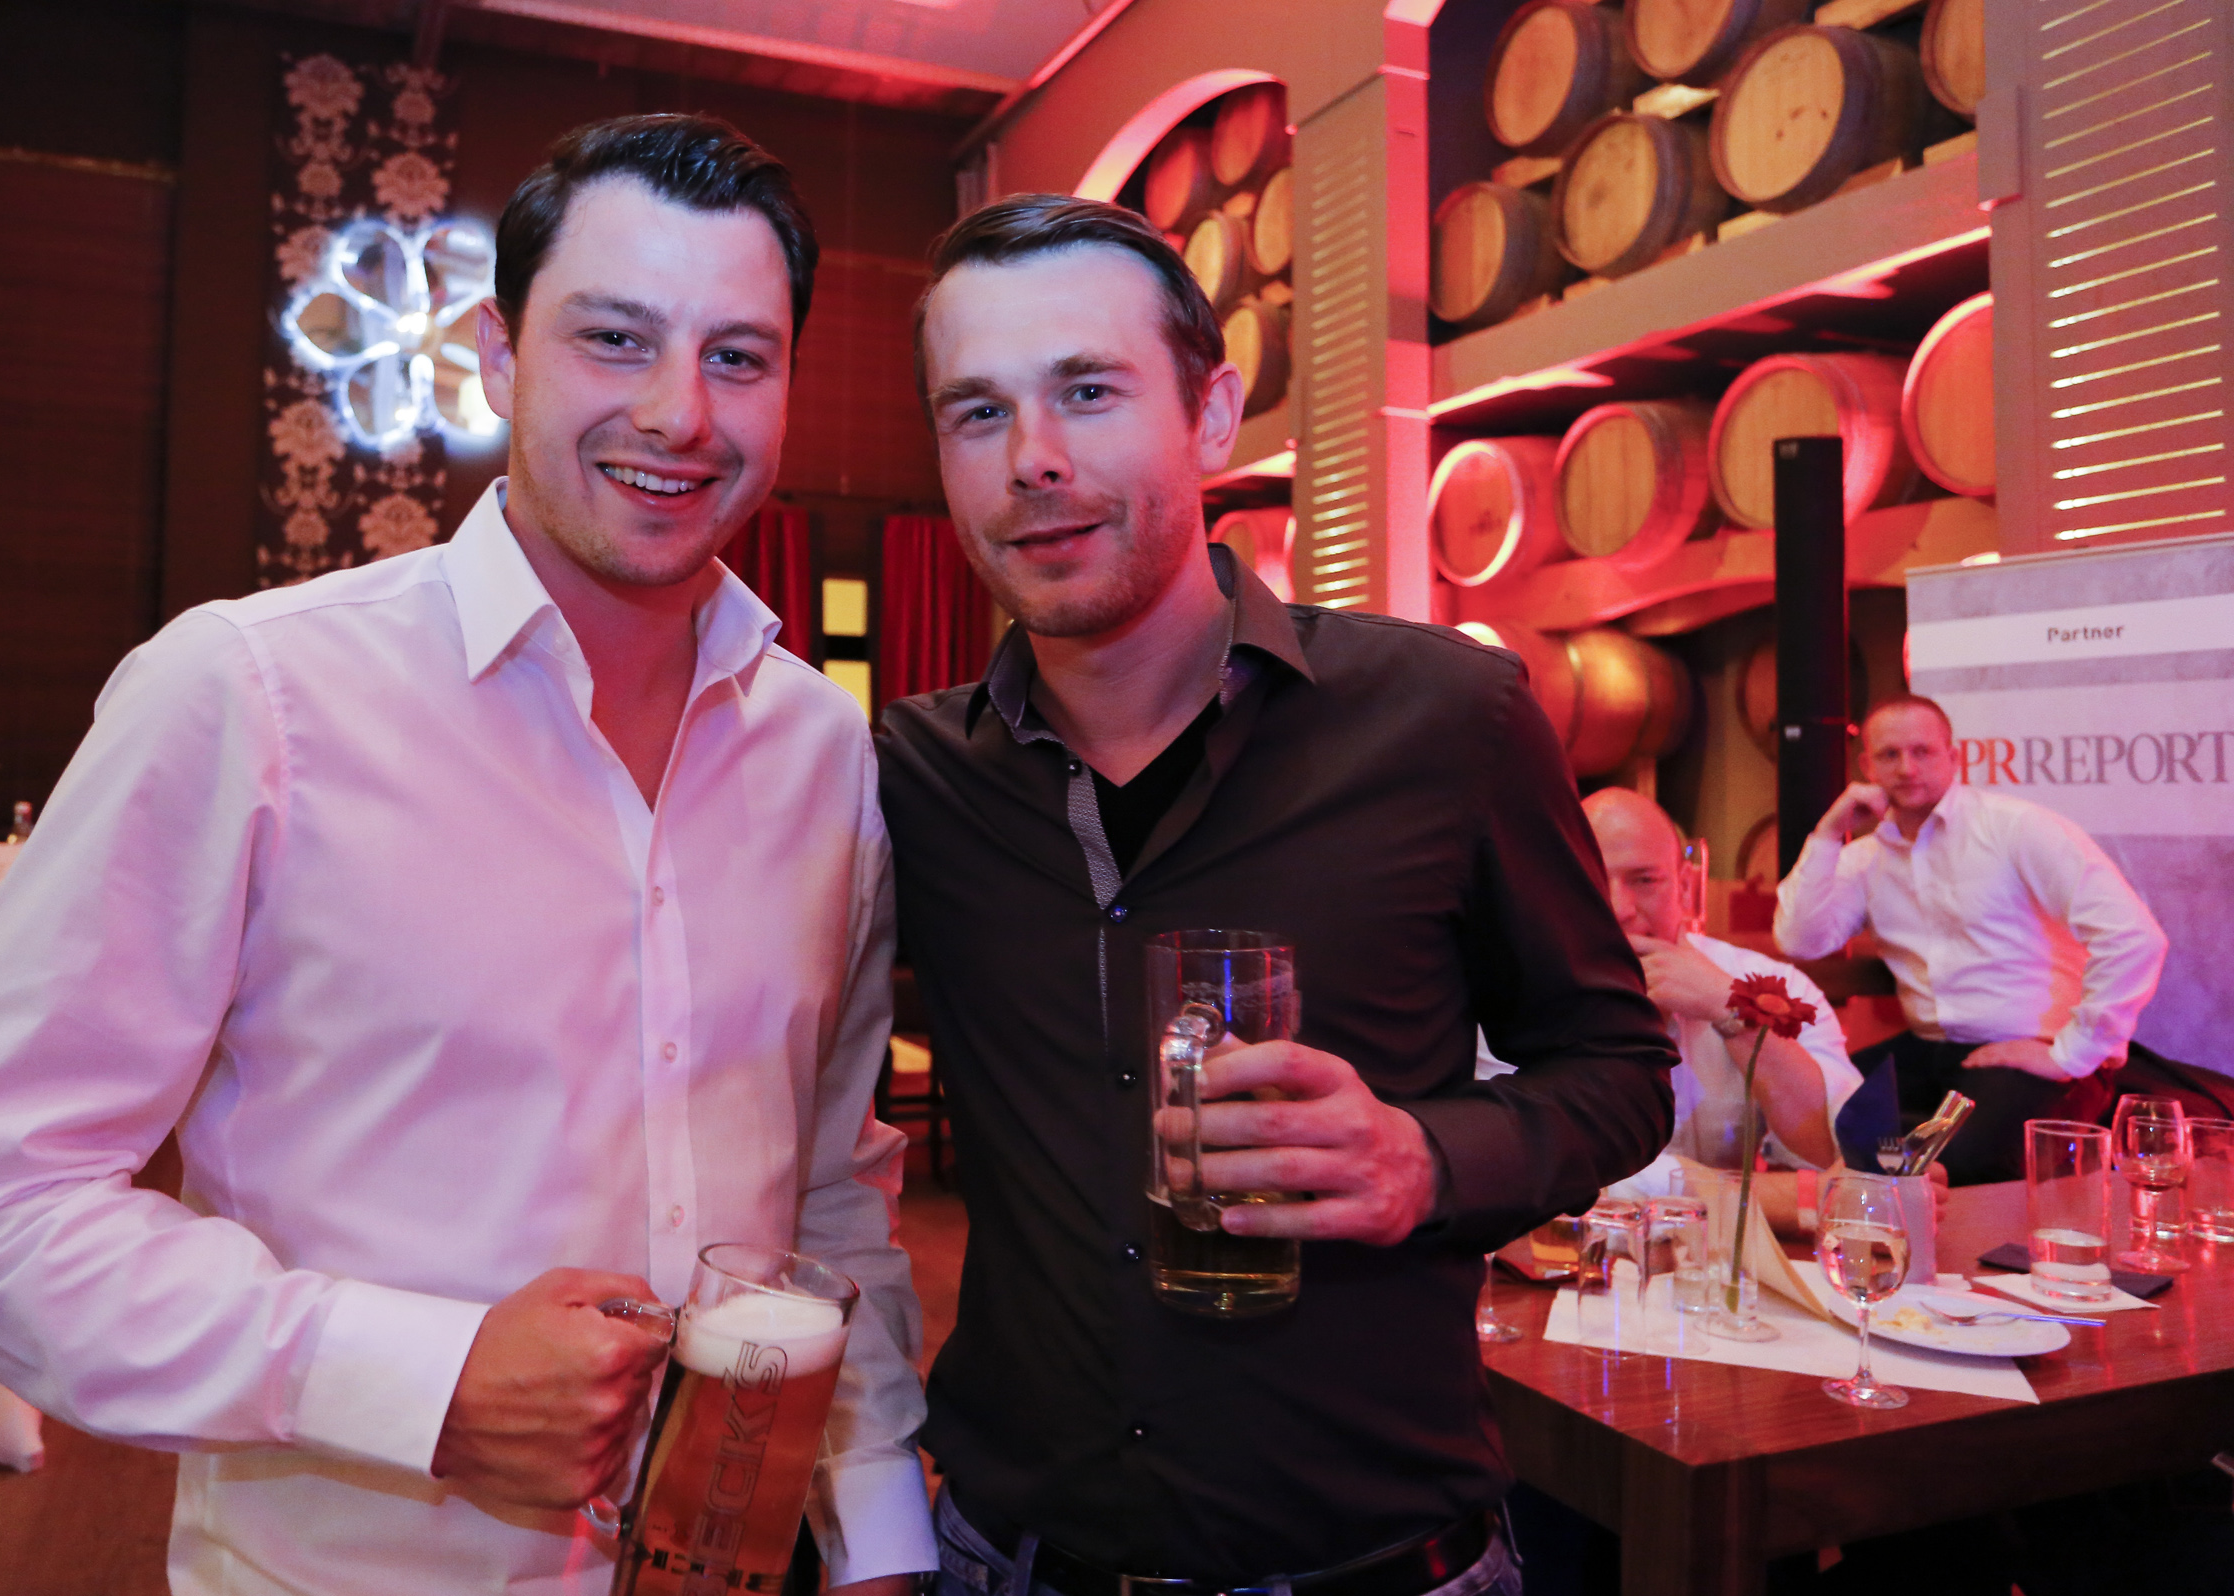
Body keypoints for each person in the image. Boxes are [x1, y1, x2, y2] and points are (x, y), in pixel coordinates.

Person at [0, 116, 933, 1596]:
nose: (679, 412)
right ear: (498, 353)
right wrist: (421, 1382)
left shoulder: (820, 748)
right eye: (615, 338)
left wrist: (876, 1529)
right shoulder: (253, 694)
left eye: (738, 357)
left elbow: (829, 1189)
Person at [877, 194, 1679, 1596]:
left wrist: (1425, 1159)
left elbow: (1617, 1069)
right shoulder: (911, 777)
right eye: (978, 412)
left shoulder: (1449, 720)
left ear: (1211, 416)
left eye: (1088, 391)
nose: (1034, 458)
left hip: (1383, 1566)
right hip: (1012, 1562)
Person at [1775, 693, 2168, 1184]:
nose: (1907, 768)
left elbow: (2134, 937)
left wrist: (2069, 1054)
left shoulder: (2016, 828)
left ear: (1953, 757)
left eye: (1922, 751)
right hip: (1930, 1050)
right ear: (1867, 768)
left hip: (2035, 1048)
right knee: (1819, 1111)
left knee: (1959, 1168)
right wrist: (1827, 835)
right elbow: (1800, 939)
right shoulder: (1866, 858)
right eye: (1890, 755)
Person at [1488, 789, 1860, 1234]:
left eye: (1645, 880)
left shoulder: (1774, 986)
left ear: (1684, 886)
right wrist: (1787, 1198)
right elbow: (1533, 1171)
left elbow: (1838, 1156)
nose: (1619, 909)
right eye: (1591, 879)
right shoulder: (1506, 997)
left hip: (1727, 1269)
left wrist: (1733, 1011)